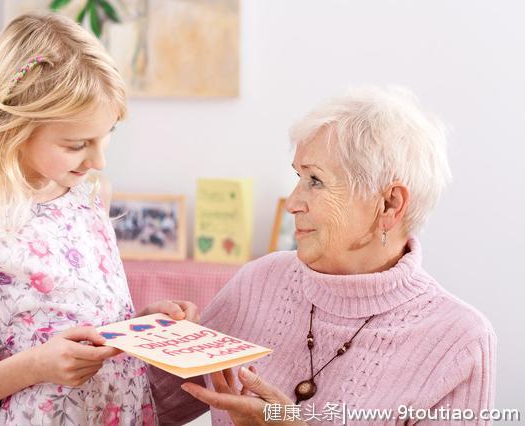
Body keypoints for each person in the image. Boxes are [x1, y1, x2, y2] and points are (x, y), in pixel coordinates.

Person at [0, 12, 196, 425]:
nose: (99, 160)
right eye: (77, 143)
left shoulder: (92, 195)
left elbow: (80, 320)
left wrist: (134, 326)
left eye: (108, 133)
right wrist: (34, 366)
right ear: (15, 127)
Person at [152, 87, 497, 425]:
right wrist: (141, 338)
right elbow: (146, 408)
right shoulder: (259, 283)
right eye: (298, 177)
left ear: (390, 204)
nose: (292, 203)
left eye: (315, 181)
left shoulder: (460, 341)